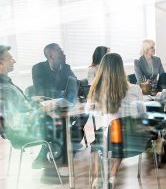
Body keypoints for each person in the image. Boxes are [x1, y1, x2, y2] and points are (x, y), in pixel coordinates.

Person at [88, 53, 145, 189]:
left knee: (98, 141)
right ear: (121, 68)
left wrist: (96, 106)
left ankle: (96, 179)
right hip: (136, 139)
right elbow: (143, 114)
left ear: (102, 69)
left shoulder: (97, 90)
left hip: (114, 139)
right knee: (119, 135)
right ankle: (112, 176)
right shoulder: (135, 88)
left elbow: (88, 111)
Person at [0, 45, 55, 168]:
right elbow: (15, 119)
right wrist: (41, 109)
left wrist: (33, 100)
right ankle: (48, 161)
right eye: (10, 58)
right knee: (57, 125)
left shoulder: (6, 83)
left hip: (18, 129)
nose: (14, 61)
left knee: (54, 121)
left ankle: (47, 158)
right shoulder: (4, 89)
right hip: (21, 133)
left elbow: (19, 105)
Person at [32, 43, 88, 150]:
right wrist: (63, 94)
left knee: (86, 111)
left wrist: (85, 85)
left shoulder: (66, 68)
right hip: (48, 107)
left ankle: (72, 141)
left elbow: (76, 84)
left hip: (65, 105)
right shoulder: (38, 69)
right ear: (51, 55)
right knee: (61, 117)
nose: (64, 54)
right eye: (61, 52)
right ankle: (64, 145)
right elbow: (40, 91)